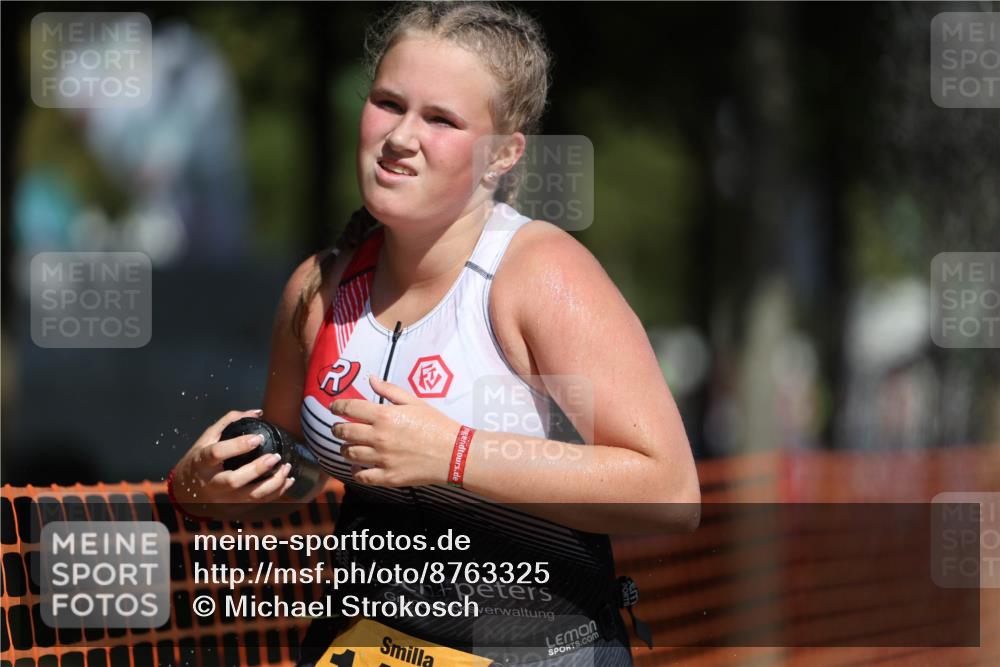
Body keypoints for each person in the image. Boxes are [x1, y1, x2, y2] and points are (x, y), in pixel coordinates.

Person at [169, 2, 699, 665]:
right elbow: (303, 474)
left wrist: (454, 454)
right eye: (389, 103)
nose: (400, 137)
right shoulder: (317, 289)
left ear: (503, 154)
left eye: (441, 119)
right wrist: (206, 489)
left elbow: (670, 491)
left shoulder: (537, 274)